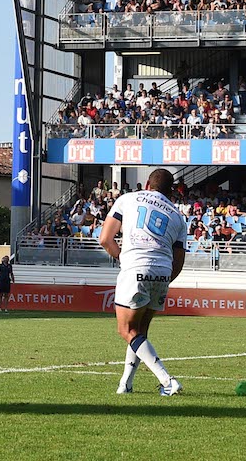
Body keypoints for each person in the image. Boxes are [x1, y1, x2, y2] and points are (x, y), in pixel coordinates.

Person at [99, 168, 187, 397]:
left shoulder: (127, 199)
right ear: (171, 192)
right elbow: (178, 261)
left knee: (126, 329)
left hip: (136, 266)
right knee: (140, 332)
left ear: (147, 184)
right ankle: (125, 384)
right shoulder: (178, 216)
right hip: (163, 271)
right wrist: (164, 279)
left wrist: (124, 259)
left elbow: (105, 239)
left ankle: (167, 380)